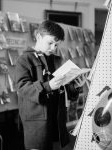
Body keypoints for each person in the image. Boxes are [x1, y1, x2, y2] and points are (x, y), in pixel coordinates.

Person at [14, 20, 86, 150]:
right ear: (38, 37)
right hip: (36, 123)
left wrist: (75, 86)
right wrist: (49, 86)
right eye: (50, 43)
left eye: (57, 45)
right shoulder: (24, 59)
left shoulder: (57, 60)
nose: (53, 48)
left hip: (57, 121)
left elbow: (64, 88)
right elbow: (23, 88)